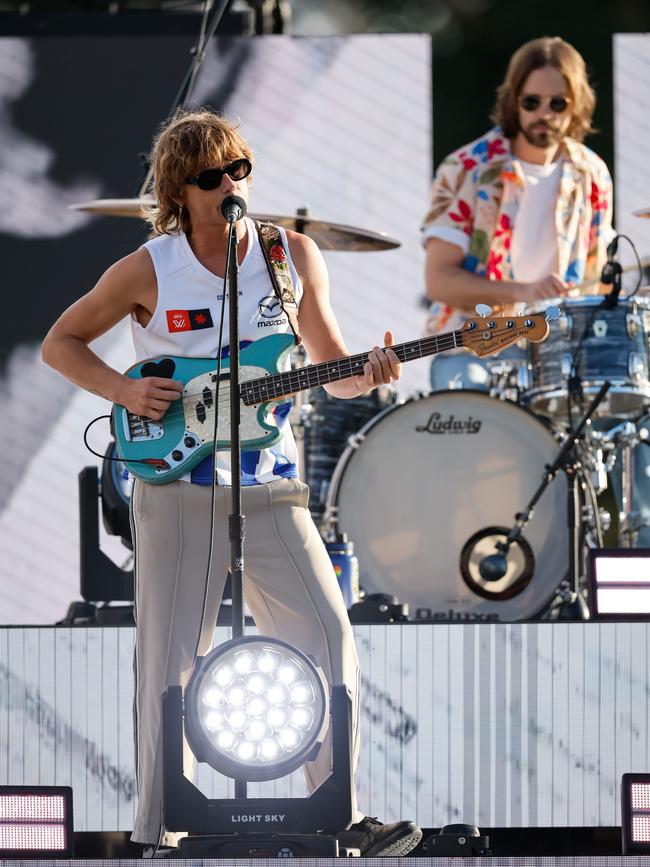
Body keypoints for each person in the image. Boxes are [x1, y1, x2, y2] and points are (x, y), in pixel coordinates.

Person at [42, 109, 423, 857]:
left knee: (326, 631)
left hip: (270, 477)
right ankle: (160, 831)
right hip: (176, 478)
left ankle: (341, 816)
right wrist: (123, 390)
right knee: (170, 656)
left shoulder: (291, 255)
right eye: (213, 176)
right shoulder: (150, 266)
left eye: (240, 168)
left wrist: (368, 374)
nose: (231, 184)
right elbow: (62, 342)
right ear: (179, 190)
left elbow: (334, 366)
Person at [421, 36, 614, 390]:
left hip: (559, 352)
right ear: (513, 101)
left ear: (577, 105)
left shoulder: (593, 174)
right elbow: (439, 282)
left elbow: (597, 280)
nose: (544, 114)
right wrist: (525, 291)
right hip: (470, 348)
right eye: (531, 102)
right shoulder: (466, 168)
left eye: (558, 103)